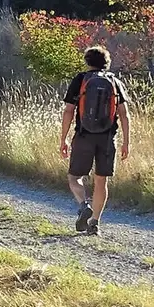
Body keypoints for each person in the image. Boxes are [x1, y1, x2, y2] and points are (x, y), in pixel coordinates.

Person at [58, 45, 133, 235]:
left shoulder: (80, 80)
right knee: (102, 181)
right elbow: (124, 114)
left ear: (87, 62)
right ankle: (94, 224)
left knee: (74, 177)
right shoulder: (114, 81)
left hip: (83, 136)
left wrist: (63, 139)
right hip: (108, 138)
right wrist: (126, 142)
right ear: (106, 63)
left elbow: (68, 110)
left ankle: (84, 206)